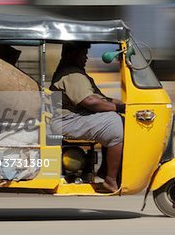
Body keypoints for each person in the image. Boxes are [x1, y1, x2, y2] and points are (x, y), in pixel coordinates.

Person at [50, 42, 125, 192]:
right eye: (83, 54)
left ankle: (105, 171)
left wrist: (127, 106)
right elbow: (90, 102)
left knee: (118, 118)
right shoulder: (71, 74)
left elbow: (102, 99)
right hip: (65, 122)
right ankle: (110, 180)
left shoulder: (78, 73)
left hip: (73, 118)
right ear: (71, 54)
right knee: (114, 124)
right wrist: (118, 107)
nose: (86, 58)